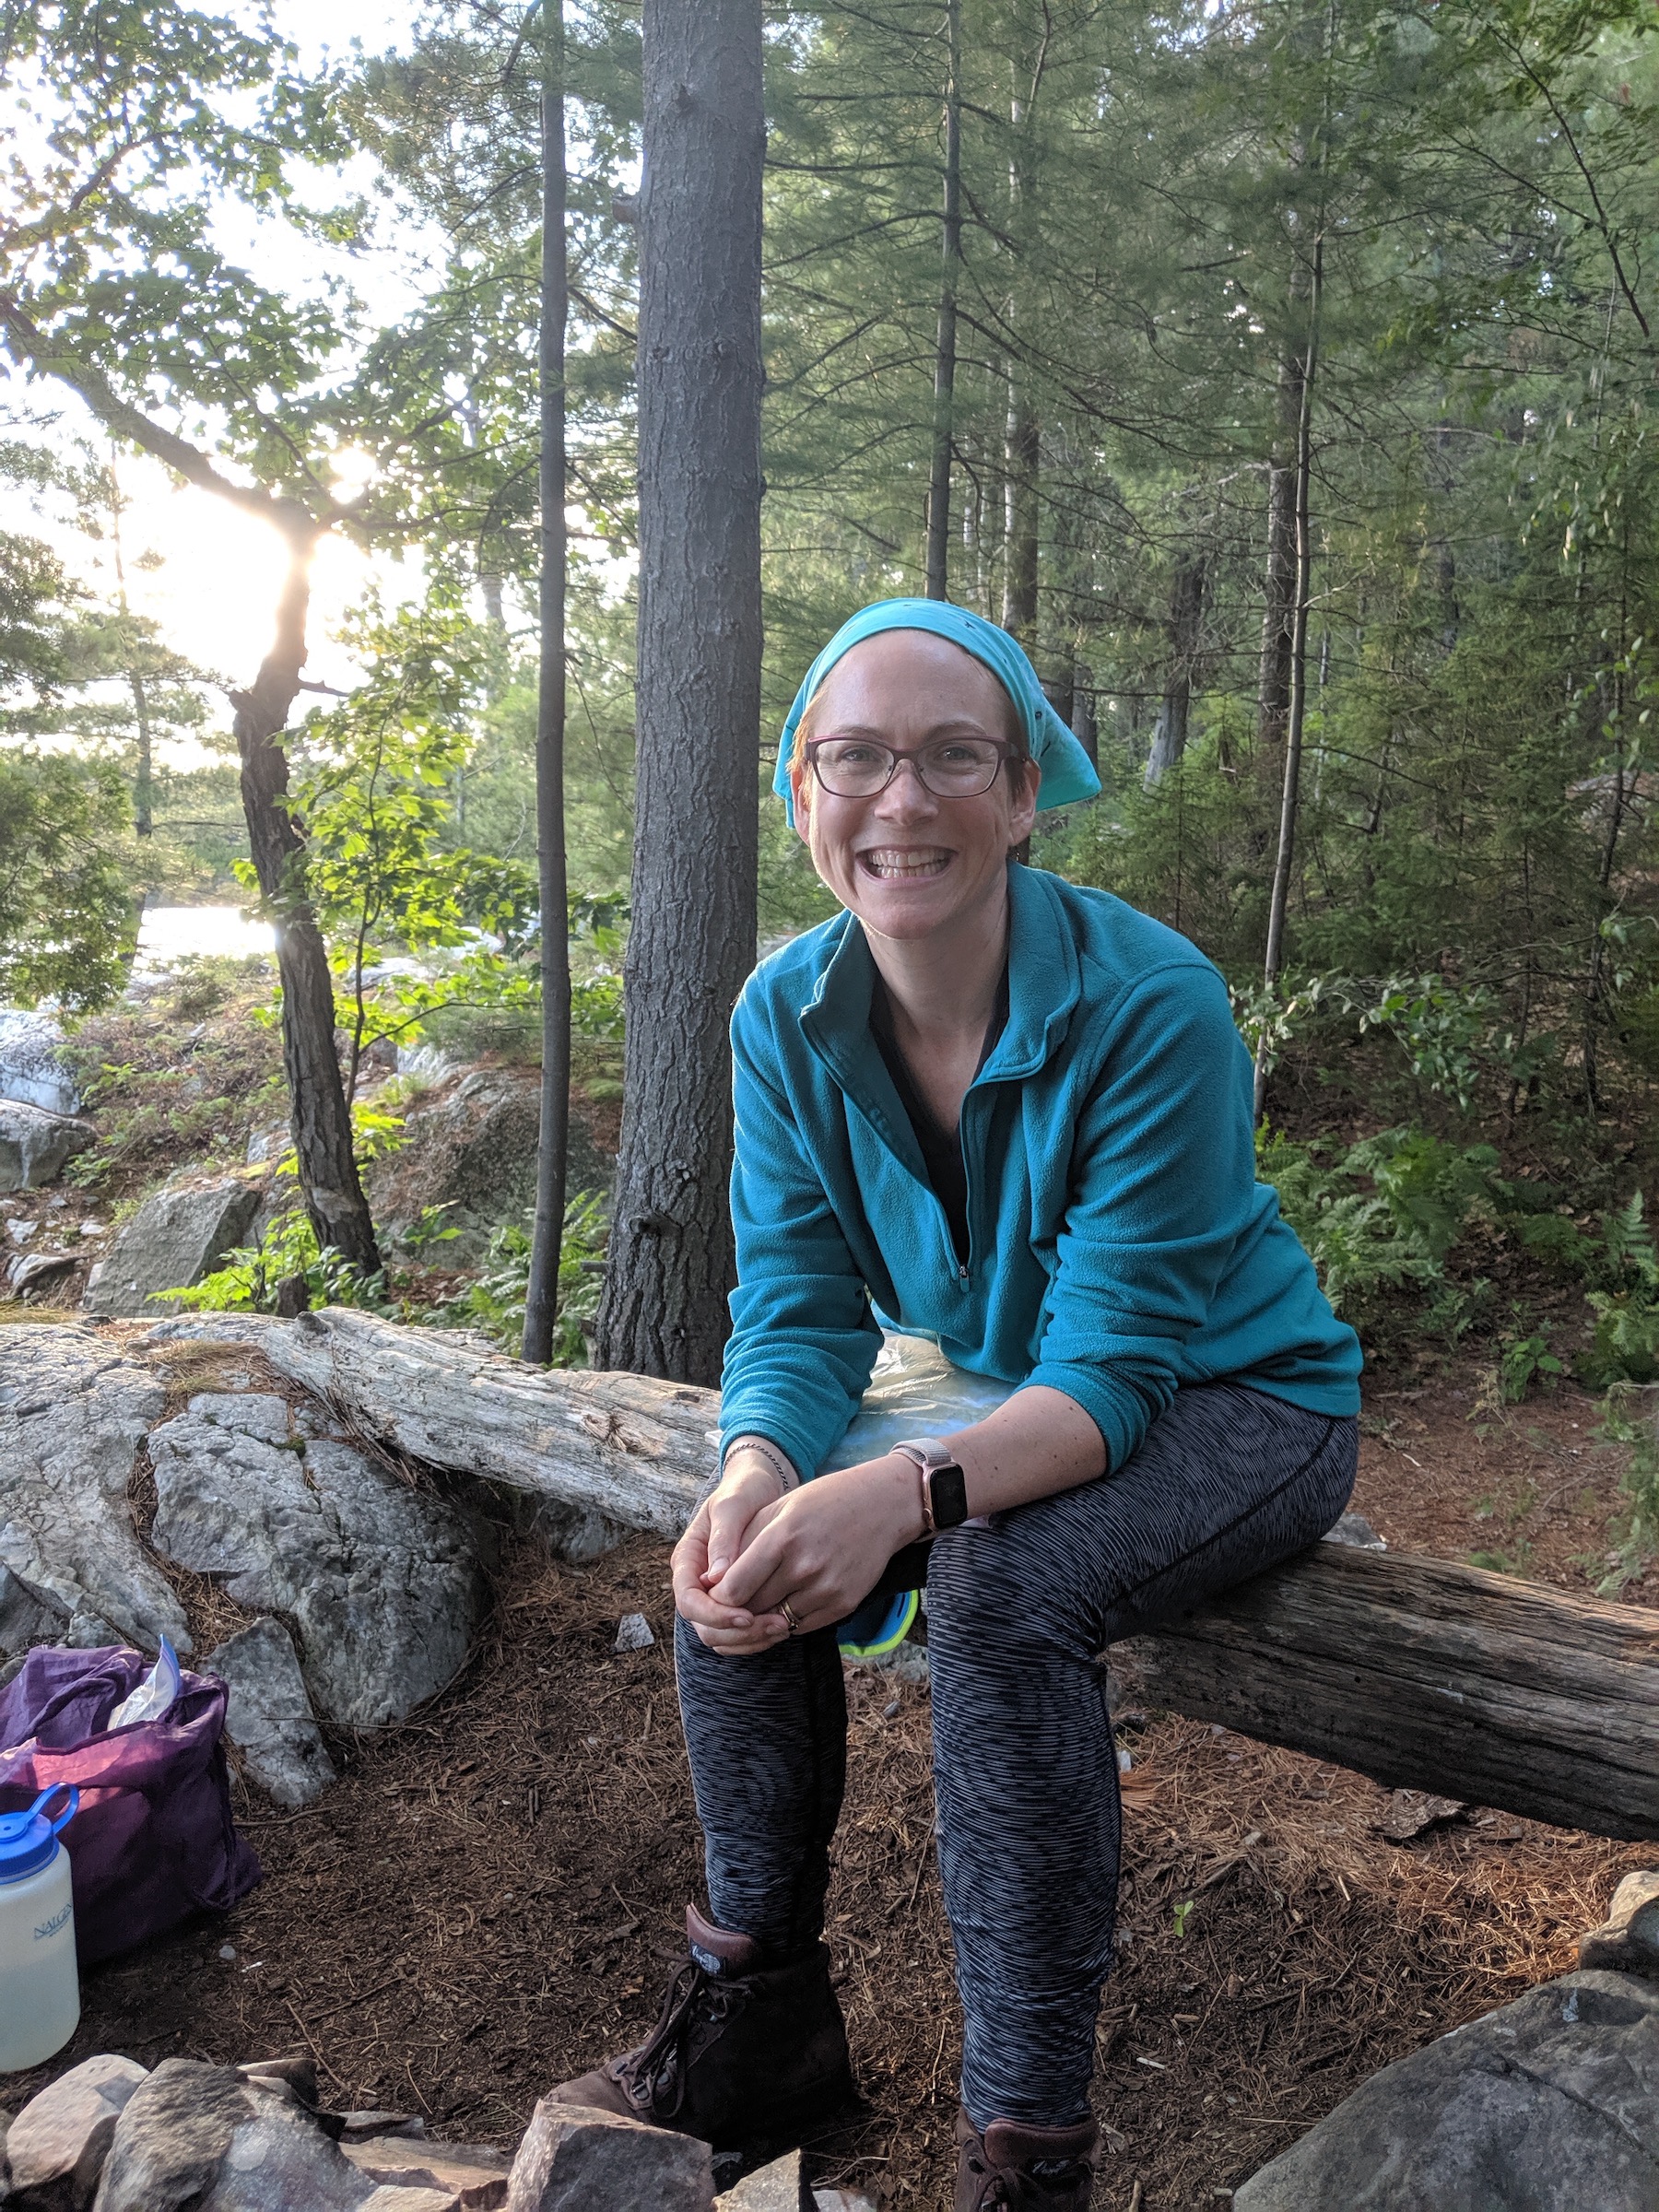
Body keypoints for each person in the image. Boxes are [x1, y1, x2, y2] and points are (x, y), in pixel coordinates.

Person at [554, 600, 1361, 2210]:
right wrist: (762, 1465)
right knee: (750, 1544)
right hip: (1011, 1385)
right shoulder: (782, 1014)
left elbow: (1119, 1375)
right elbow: (797, 1305)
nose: (900, 802)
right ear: (801, 796)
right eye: (854, 758)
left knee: (999, 1590)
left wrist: (908, 1494)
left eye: (951, 759)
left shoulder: (1152, 1001)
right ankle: (755, 2015)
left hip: (1241, 1401)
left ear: (1022, 795)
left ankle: (1026, 2152)